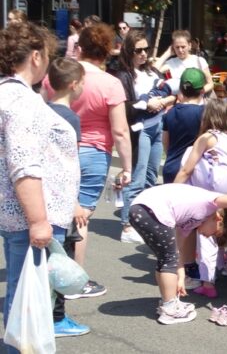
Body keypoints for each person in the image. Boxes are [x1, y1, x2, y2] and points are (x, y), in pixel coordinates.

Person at [0, 23, 90, 346]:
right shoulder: (21, 100)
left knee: (26, 297)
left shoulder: (9, 94)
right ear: (36, 56)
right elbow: (23, 163)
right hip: (28, 217)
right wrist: (39, 221)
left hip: (17, 214)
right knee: (27, 303)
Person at [42, 23, 133, 299]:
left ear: (79, 47)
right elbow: (120, 130)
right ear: (107, 51)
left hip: (56, 149)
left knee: (54, 213)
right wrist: (127, 167)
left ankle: (48, 272)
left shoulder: (56, 75)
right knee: (81, 217)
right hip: (94, 151)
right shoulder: (110, 83)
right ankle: (74, 279)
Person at [129, 182, 227, 324]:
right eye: (216, 233)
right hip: (152, 210)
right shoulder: (211, 204)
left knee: (166, 258)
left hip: (140, 210)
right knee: (168, 259)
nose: (210, 236)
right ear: (218, 220)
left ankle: (168, 303)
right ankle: (170, 309)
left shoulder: (191, 222)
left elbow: (178, 250)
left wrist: (181, 276)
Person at [174, 99, 227, 297]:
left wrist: (172, 191)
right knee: (221, 229)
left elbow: (186, 169)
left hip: (211, 191)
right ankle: (223, 265)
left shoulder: (207, 137)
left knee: (206, 235)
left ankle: (208, 282)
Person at [113, 30, 175, 243]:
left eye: (145, 49)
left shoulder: (152, 71)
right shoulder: (124, 75)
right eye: (138, 50)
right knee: (137, 178)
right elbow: (122, 106)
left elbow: (169, 92)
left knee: (150, 177)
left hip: (157, 125)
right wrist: (146, 103)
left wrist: (162, 101)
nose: (143, 54)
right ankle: (127, 225)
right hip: (139, 130)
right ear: (129, 51)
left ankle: (145, 221)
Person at [162, 69, 207, 184]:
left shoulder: (170, 113)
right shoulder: (204, 114)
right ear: (202, 90)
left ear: (181, 89)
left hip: (171, 168)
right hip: (193, 171)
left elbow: (165, 142)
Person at [154, 29, 213, 94]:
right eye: (177, 47)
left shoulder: (199, 61)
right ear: (173, 47)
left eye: (183, 47)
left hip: (198, 98)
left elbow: (210, 83)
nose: (180, 50)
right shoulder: (171, 63)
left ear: (189, 45)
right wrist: (167, 53)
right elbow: (153, 72)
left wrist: (197, 93)